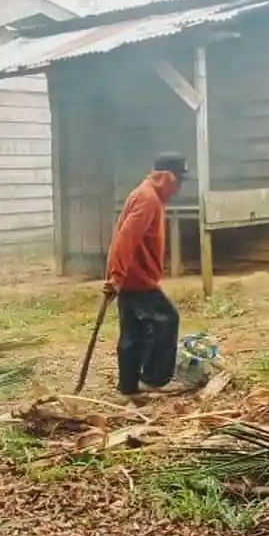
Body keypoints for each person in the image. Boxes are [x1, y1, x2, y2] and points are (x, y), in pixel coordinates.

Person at [103, 152, 187, 398]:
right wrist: (116, 277)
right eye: (179, 181)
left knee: (134, 331)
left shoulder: (146, 194)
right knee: (167, 319)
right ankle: (154, 380)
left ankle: (129, 385)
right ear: (167, 177)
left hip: (130, 277)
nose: (179, 187)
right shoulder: (148, 199)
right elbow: (125, 239)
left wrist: (117, 277)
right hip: (137, 279)